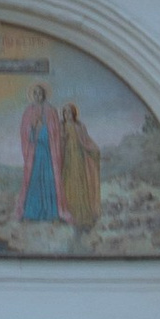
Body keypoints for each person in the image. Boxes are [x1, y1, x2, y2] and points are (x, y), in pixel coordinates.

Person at [18, 84, 61, 226]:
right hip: (35, 152)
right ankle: (31, 213)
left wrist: (45, 127)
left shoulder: (51, 111)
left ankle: (52, 214)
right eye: (35, 93)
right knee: (34, 181)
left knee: (49, 181)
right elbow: (24, 132)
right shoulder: (28, 111)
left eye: (40, 93)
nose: (37, 95)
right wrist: (33, 127)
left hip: (48, 152)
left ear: (44, 94)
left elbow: (56, 132)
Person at [58, 99, 102, 233]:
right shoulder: (61, 126)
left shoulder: (80, 126)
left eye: (69, 113)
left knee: (80, 184)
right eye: (65, 113)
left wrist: (94, 150)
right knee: (67, 184)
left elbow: (86, 141)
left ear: (74, 114)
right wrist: (63, 138)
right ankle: (67, 213)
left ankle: (82, 215)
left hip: (78, 158)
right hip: (67, 158)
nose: (67, 115)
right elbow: (58, 142)